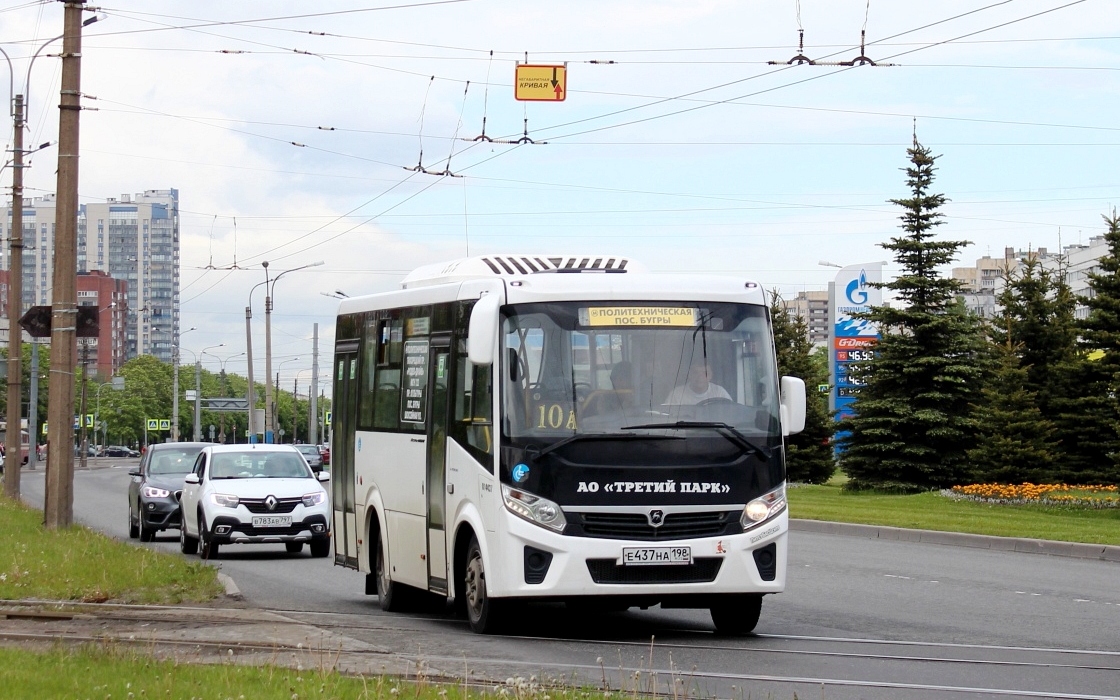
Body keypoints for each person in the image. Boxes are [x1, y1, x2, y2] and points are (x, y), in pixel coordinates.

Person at [664, 362, 731, 405]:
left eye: (704, 373)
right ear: (689, 375)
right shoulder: (676, 394)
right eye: (695, 372)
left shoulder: (719, 392)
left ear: (710, 375)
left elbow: (731, 413)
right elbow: (666, 417)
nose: (700, 377)